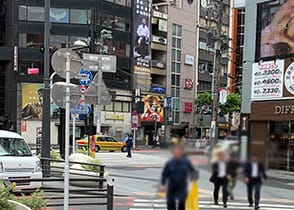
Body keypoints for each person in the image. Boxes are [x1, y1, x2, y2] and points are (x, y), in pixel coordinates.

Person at [160, 145, 197, 210]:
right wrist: (163, 184)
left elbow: (193, 171)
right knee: (170, 202)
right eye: (175, 152)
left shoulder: (186, 162)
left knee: (182, 202)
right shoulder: (170, 163)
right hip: (172, 185)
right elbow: (165, 174)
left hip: (182, 186)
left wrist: (193, 181)